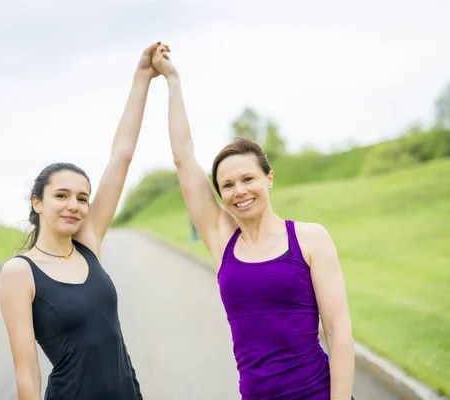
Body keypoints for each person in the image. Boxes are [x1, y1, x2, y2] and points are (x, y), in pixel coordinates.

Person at [151, 44, 356, 399]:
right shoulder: (221, 239)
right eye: (227, 185)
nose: (239, 191)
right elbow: (184, 159)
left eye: (248, 179)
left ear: (269, 178)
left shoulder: (310, 239)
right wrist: (172, 80)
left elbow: (339, 332)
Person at [0, 41, 164, 400]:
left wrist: (142, 78)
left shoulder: (87, 245)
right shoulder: (20, 273)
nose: (73, 205)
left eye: (82, 197)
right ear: (37, 203)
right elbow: (26, 372)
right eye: (61, 196)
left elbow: (121, 155)